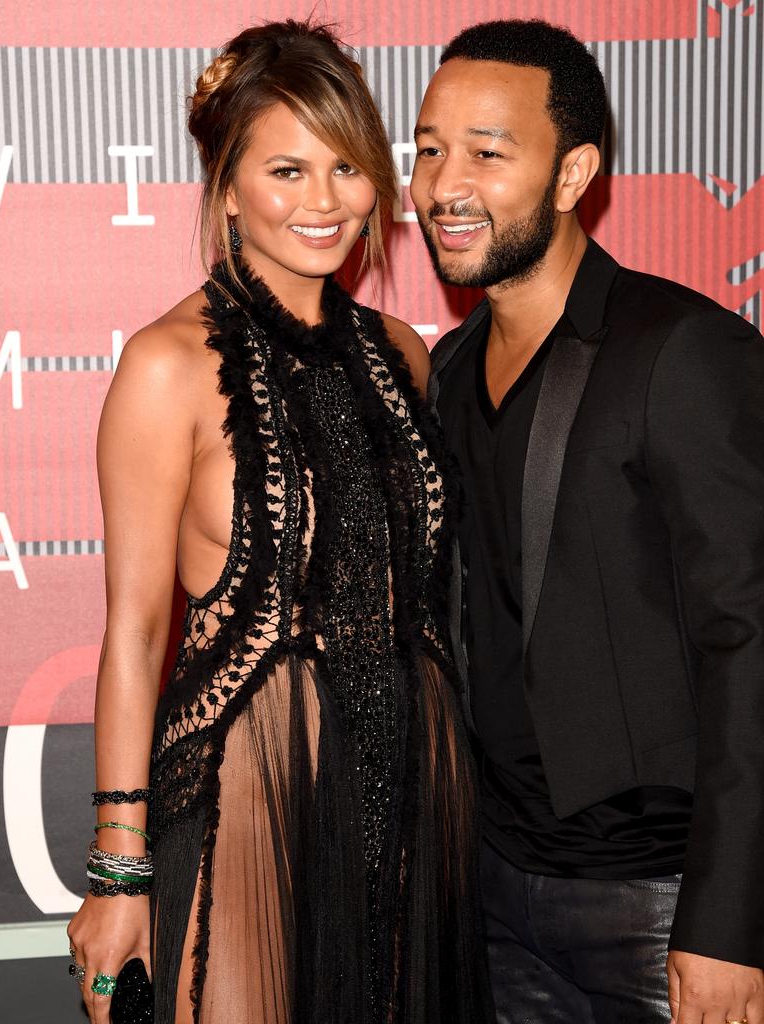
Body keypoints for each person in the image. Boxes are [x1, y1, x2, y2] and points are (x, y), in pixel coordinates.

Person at [67, 20, 493, 1024]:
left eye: (346, 167)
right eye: (288, 170)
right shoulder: (165, 367)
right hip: (247, 798)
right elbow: (133, 630)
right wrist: (119, 868)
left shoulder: (404, 354)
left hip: (415, 795)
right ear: (227, 184)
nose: (324, 202)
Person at [411, 17, 764, 1024]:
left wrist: (729, 922)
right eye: (430, 148)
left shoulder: (681, 352)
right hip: (496, 889)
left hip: (660, 904)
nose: (444, 184)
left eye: (488, 151)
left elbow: (752, 641)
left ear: (573, 175)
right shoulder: (441, 375)